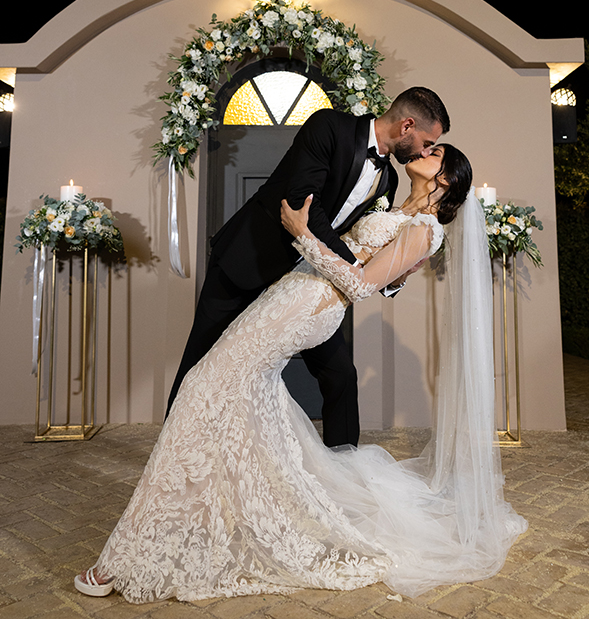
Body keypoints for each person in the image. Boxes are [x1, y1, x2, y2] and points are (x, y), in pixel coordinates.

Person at [75, 144, 527, 602]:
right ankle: (227, 510)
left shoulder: (426, 229)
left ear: (445, 179)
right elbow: (373, 268)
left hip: (312, 306)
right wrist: (381, 269)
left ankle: (125, 554)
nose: (424, 151)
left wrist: (301, 233)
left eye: (435, 153)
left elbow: (359, 285)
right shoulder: (393, 205)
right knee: (232, 397)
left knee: (201, 388)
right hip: (293, 292)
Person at [166, 86, 450, 448]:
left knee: (341, 376)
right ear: (407, 125)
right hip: (248, 261)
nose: (426, 151)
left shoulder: (388, 180)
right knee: (201, 359)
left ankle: (345, 466)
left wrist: (393, 276)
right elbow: (301, 201)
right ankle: (173, 451)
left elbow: (367, 240)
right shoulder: (329, 126)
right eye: (427, 142)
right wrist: (353, 269)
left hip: (308, 287)